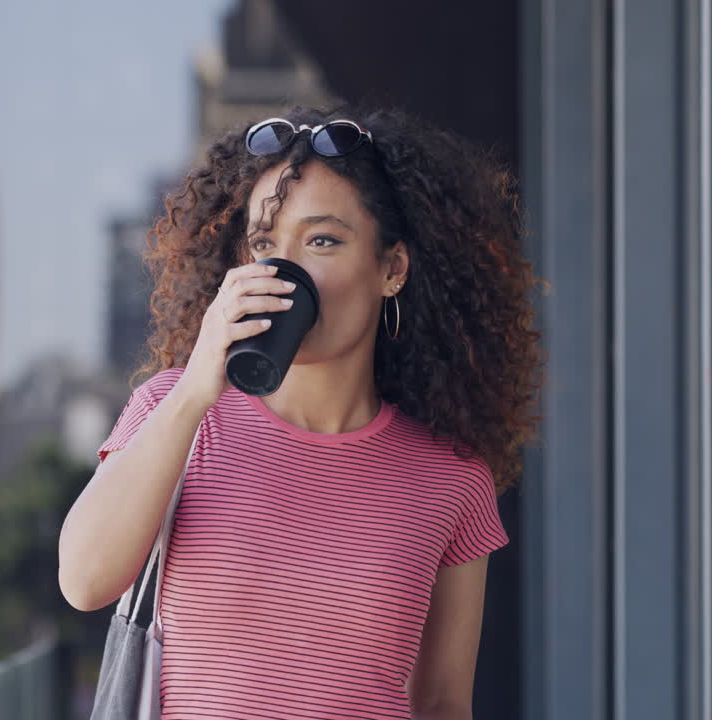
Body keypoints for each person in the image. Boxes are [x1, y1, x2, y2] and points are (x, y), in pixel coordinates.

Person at [59, 103, 545, 719]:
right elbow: (83, 580)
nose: (284, 272)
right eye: (265, 243)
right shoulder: (174, 411)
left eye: (322, 240)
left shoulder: (450, 479)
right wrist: (197, 389)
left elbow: (444, 702)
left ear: (391, 268)